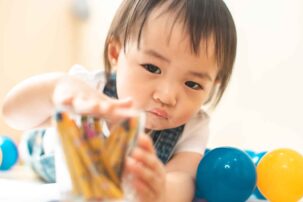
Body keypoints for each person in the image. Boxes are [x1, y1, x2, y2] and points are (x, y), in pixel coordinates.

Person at [2, 0, 237, 201]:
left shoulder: (193, 126)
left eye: (193, 84)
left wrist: (160, 190)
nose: (166, 96)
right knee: (24, 147)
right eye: (152, 67)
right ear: (115, 53)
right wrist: (58, 86)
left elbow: (184, 178)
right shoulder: (88, 89)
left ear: (212, 86)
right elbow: (12, 113)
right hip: (43, 149)